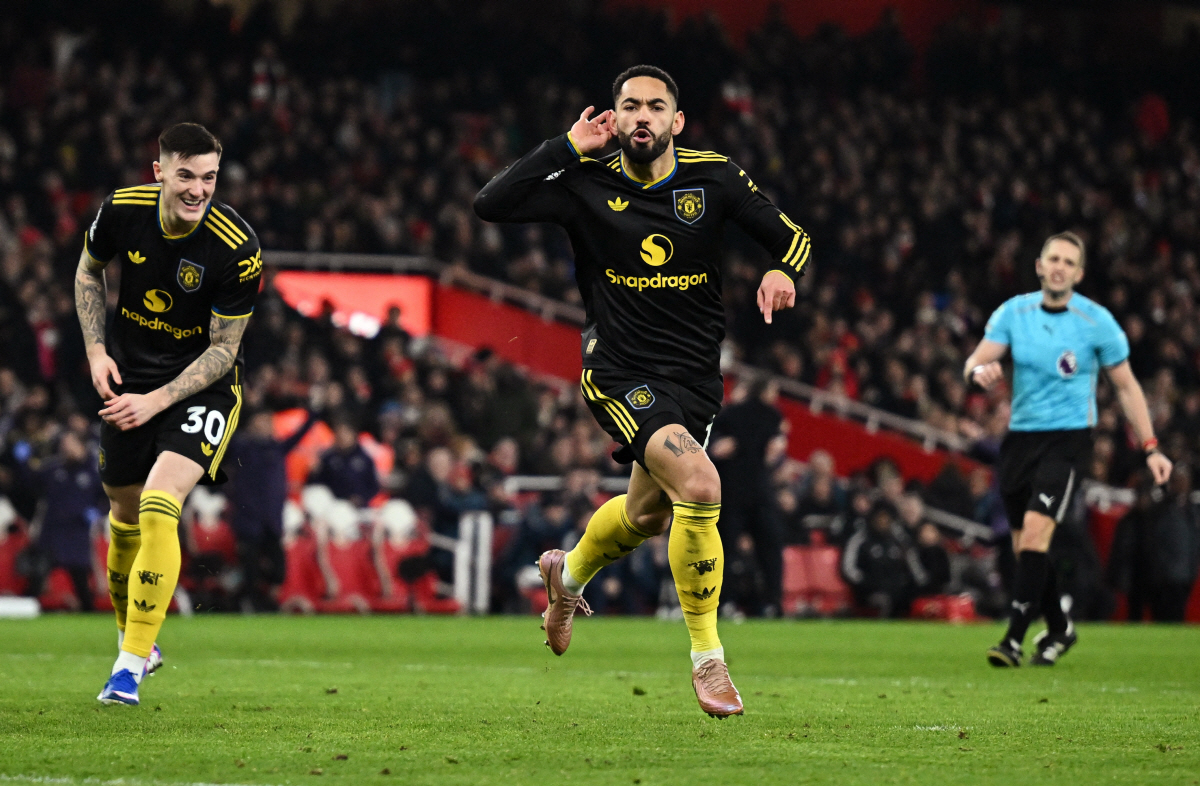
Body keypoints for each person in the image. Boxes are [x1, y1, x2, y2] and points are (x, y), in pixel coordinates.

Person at [474, 65, 810, 717]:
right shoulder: (585, 182)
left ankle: (567, 576)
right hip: (619, 371)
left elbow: (791, 237)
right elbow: (491, 204)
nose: (642, 116)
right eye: (630, 106)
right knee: (701, 486)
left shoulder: (714, 178)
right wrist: (565, 147)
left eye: (656, 106)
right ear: (616, 118)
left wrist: (781, 271)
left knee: (649, 516)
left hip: (695, 379)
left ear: (677, 121)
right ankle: (709, 659)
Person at [75, 123, 261, 704]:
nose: (198, 190)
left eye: (209, 178)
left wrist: (155, 401)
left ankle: (127, 669)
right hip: (131, 378)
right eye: (186, 175)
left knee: (160, 502)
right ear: (159, 172)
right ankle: (137, 642)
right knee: (123, 514)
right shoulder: (121, 210)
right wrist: (96, 351)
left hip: (204, 387)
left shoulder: (237, 247)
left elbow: (224, 349)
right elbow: (88, 270)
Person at [963, 231, 1171, 667]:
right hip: (1020, 441)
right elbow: (977, 360)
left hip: (1068, 440)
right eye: (1053, 259)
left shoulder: (1096, 322)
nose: (1059, 267)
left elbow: (1127, 387)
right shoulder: (1014, 313)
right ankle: (1060, 628)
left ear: (1078, 273)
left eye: (1068, 262)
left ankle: (1013, 639)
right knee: (1027, 551)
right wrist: (977, 373)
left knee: (1035, 536)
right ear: (1040, 266)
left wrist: (1151, 447)